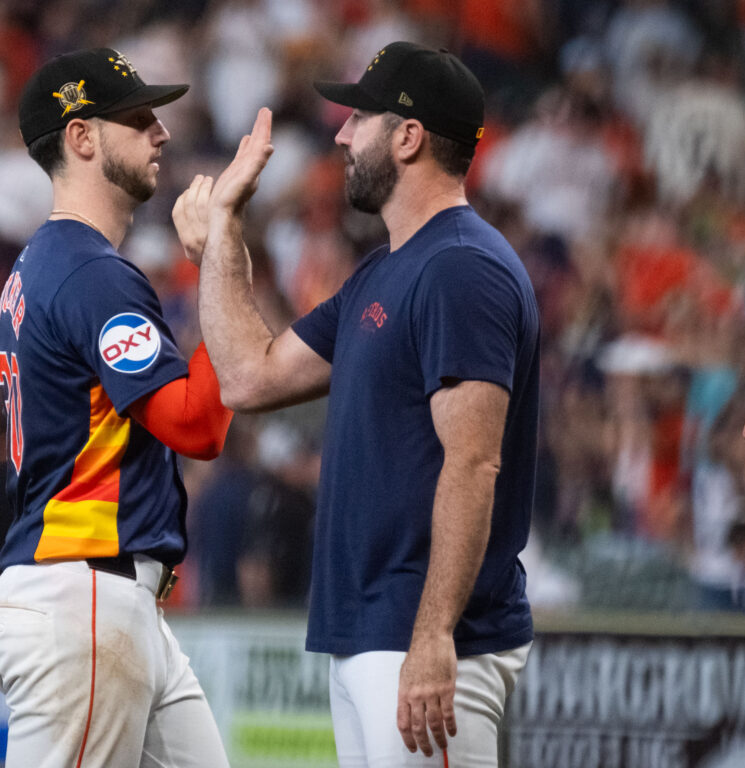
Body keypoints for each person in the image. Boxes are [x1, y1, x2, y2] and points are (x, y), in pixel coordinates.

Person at [175, 41, 539, 767]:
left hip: (429, 641)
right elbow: (249, 378)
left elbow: (474, 461)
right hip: (371, 632)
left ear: (408, 136)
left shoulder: (460, 267)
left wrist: (434, 637)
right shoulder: (388, 270)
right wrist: (223, 234)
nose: (340, 134)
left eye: (358, 119)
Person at [0, 48, 233, 768]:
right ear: (81, 137)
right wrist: (217, 266)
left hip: (104, 597)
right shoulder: (90, 270)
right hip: (83, 592)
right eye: (138, 117)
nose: (161, 133)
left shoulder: (40, 266)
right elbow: (197, 425)